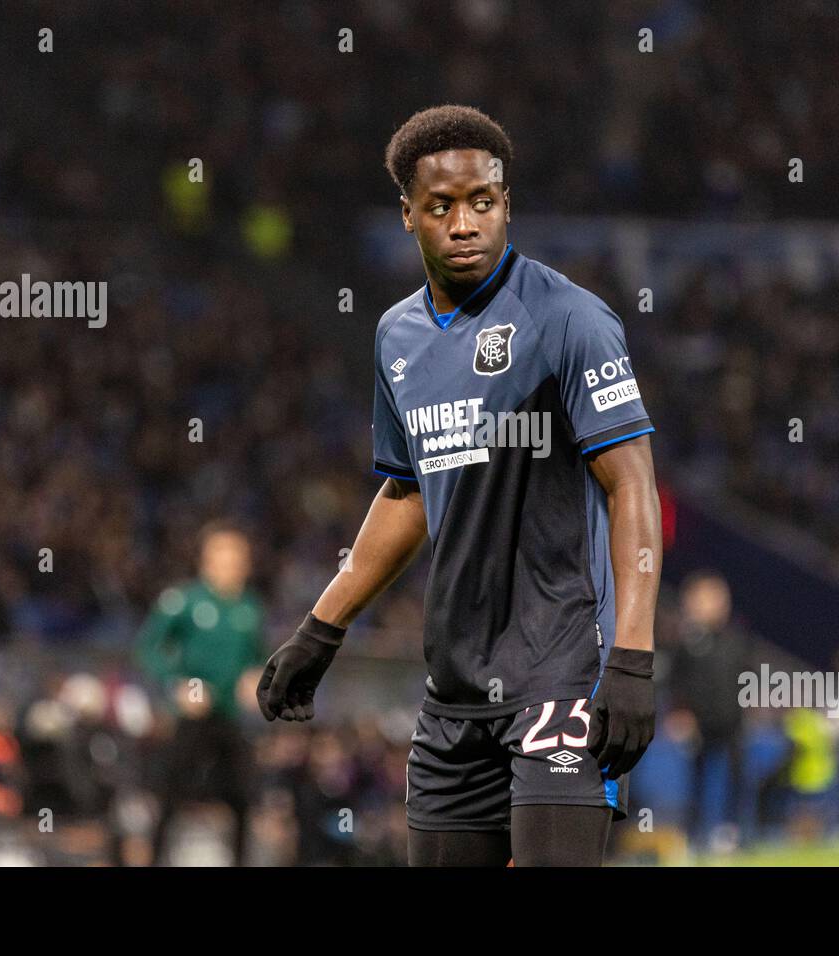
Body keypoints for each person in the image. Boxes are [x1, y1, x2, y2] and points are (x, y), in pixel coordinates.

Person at [257, 105, 663, 867]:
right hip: (453, 690)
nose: (465, 222)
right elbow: (408, 492)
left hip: (563, 675)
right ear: (409, 215)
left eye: (483, 201)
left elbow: (632, 485)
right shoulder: (396, 337)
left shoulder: (571, 319)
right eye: (441, 206)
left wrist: (634, 657)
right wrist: (322, 628)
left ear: (506, 202)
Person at [137, 520, 267, 865]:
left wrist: (254, 678)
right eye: (224, 556)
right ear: (207, 560)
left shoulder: (250, 609)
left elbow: (256, 658)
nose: (232, 564)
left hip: (229, 716)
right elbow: (150, 648)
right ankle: (155, 858)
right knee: (170, 795)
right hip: (192, 715)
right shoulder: (184, 601)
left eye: (238, 556)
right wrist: (176, 684)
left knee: (242, 796)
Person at [666, 572, 753, 852]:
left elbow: (747, 677)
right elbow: (676, 682)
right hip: (700, 724)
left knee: (736, 777)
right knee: (697, 780)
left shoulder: (736, 638)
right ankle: (693, 835)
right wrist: (680, 713)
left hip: (733, 722)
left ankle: (733, 832)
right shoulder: (688, 642)